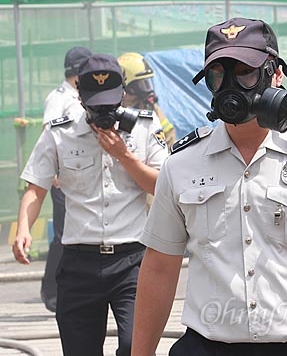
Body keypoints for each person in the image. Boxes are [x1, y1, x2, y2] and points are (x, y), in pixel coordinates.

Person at [131, 17, 287, 356]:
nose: (232, 84)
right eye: (219, 73)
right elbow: (159, 266)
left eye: (246, 71)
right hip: (206, 346)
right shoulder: (181, 163)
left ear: (276, 74)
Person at [12, 53, 168, 356]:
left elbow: (162, 187)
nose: (104, 112)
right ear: (80, 96)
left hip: (132, 261)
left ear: (122, 94)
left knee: (135, 346)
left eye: (110, 104)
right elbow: (36, 188)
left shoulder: (145, 128)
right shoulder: (60, 134)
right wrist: (23, 229)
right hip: (78, 263)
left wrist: (125, 156)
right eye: (96, 105)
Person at [40, 46, 92, 313]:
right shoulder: (59, 97)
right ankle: (51, 292)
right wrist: (56, 170)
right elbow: (50, 134)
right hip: (63, 178)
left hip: (80, 177)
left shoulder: (79, 95)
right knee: (62, 235)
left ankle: (66, 287)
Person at [117, 52, 176, 148]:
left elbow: (169, 136)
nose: (147, 91)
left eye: (147, 83)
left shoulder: (150, 107)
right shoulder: (111, 110)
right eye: (140, 85)